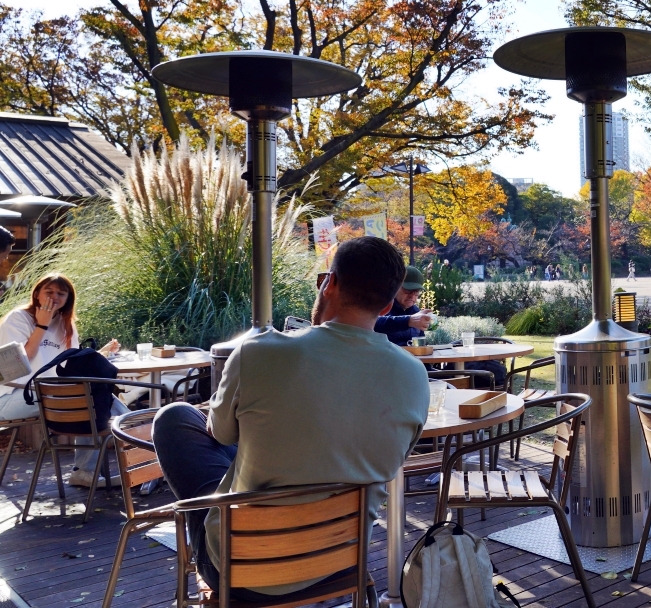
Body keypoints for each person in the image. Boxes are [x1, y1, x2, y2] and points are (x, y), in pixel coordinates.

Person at [151, 237, 429, 601]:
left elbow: (218, 433)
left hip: (243, 567)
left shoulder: (257, 353)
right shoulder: (414, 375)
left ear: (329, 283)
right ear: (388, 304)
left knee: (175, 418)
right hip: (341, 558)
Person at [0, 273, 120, 487]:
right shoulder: (18, 319)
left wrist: (99, 354)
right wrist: (42, 326)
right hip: (11, 396)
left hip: (52, 395)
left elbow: (70, 367)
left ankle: (91, 470)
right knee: (88, 399)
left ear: (68, 299)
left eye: (61, 294)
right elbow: (19, 364)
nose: (54, 297)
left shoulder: (67, 325)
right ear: (37, 294)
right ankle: (144, 446)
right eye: (49, 292)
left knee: (93, 397)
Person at [374, 266, 434, 346]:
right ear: (395, 287)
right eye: (408, 290)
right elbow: (375, 323)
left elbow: (421, 342)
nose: (412, 296)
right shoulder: (381, 306)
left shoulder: (416, 311)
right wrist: (409, 321)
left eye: (416, 292)